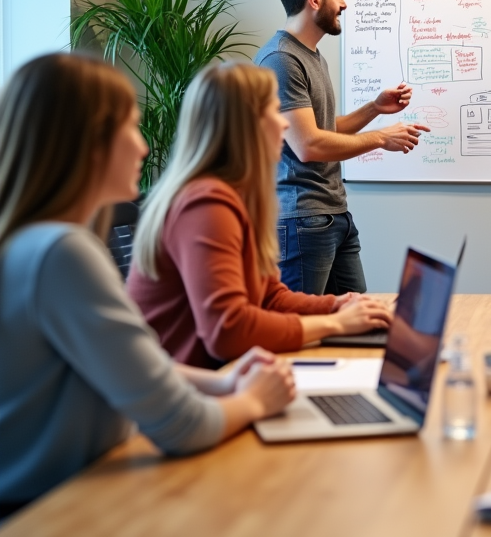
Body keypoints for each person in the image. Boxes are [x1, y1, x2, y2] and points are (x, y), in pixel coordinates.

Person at [0, 54, 295, 514]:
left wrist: (222, 383)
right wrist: (254, 400)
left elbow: (123, 366)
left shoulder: (32, 245)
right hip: (54, 509)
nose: (143, 147)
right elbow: (182, 426)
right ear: (90, 142)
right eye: (132, 128)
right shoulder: (62, 253)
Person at [127, 61, 393, 369]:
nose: (284, 125)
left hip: (222, 380)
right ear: (246, 126)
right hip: (187, 398)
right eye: (274, 112)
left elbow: (270, 297)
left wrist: (336, 305)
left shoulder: (235, 196)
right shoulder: (205, 204)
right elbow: (227, 330)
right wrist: (337, 324)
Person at [254, 0, 430, 296]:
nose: (344, 4)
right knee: (302, 335)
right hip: (304, 220)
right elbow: (308, 146)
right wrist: (380, 138)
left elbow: (320, 129)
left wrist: (374, 108)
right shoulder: (281, 59)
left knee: (358, 322)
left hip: (333, 216)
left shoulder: (309, 55)